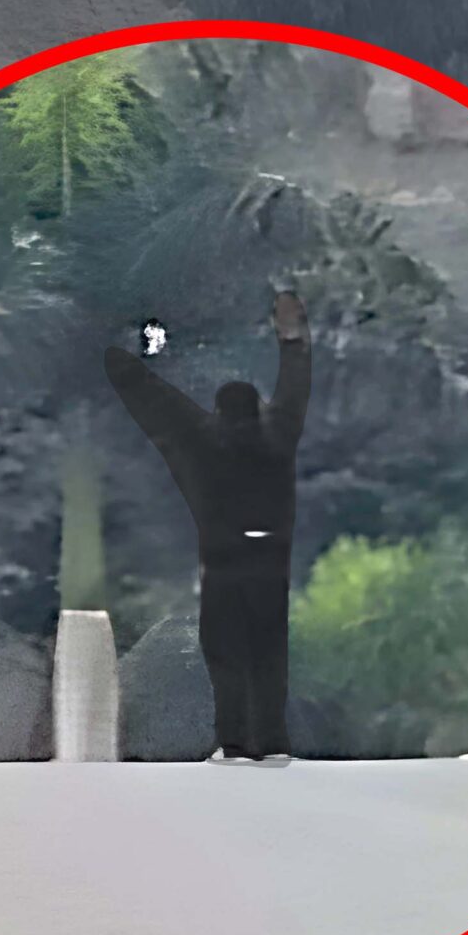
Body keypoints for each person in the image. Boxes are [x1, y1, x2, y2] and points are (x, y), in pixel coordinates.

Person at [104, 291, 311, 766]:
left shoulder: (201, 442)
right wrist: (293, 339)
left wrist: (122, 355)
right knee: (270, 655)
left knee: (226, 658)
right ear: (257, 409)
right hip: (271, 563)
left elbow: (156, 400)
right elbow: (296, 388)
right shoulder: (278, 435)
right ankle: (275, 744)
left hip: (222, 566)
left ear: (219, 413)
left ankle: (235, 745)